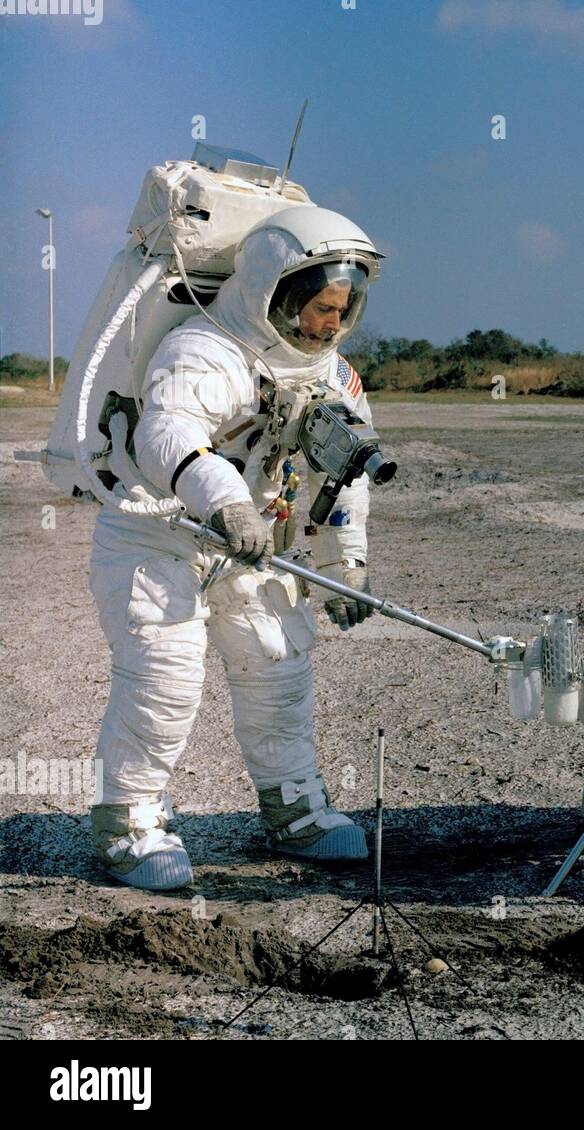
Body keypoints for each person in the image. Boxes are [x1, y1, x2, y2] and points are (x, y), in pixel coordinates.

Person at [88, 206, 383, 890]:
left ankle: (294, 810)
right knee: (166, 676)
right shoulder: (204, 350)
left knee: (279, 660)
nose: (328, 324)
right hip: (157, 531)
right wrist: (222, 499)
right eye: (316, 308)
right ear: (271, 294)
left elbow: (346, 469)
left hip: (250, 540)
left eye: (341, 309)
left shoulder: (330, 375)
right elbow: (166, 434)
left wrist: (346, 564)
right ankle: (129, 822)